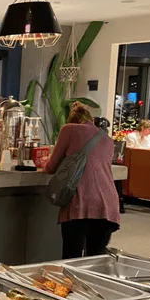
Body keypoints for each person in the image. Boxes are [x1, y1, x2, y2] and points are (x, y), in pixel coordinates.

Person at [45, 102, 120, 259]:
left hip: (81, 202)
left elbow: (51, 167)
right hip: (108, 205)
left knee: (72, 259)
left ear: (72, 119)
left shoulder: (69, 129)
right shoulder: (107, 139)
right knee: (95, 261)